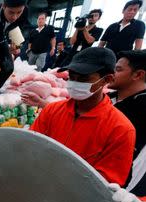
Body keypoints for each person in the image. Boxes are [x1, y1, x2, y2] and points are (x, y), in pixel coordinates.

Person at [23, 47, 136, 186]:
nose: (74, 83)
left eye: (83, 78)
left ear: (107, 79)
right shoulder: (52, 110)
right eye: (72, 77)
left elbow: (106, 183)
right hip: (38, 184)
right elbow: (30, 147)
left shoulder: (121, 129)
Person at [108, 50, 146, 196]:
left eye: (118, 69)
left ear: (138, 75)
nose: (111, 73)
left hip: (125, 188)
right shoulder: (109, 98)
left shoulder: (141, 109)